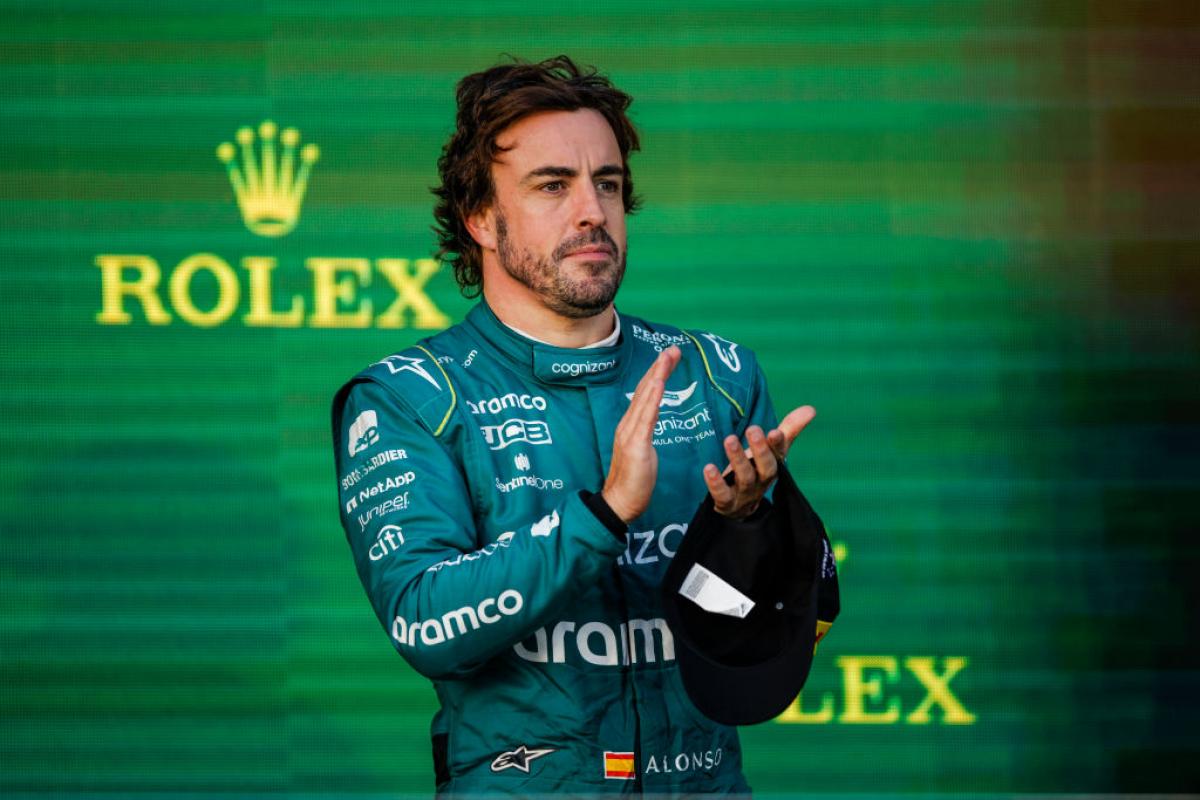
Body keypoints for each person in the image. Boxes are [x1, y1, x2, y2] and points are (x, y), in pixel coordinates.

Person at [331, 55, 817, 796]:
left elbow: (772, 640)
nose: (592, 210)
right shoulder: (411, 398)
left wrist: (745, 529)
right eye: (553, 185)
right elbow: (425, 622)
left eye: (608, 184)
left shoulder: (717, 373)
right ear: (480, 218)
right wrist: (605, 514)